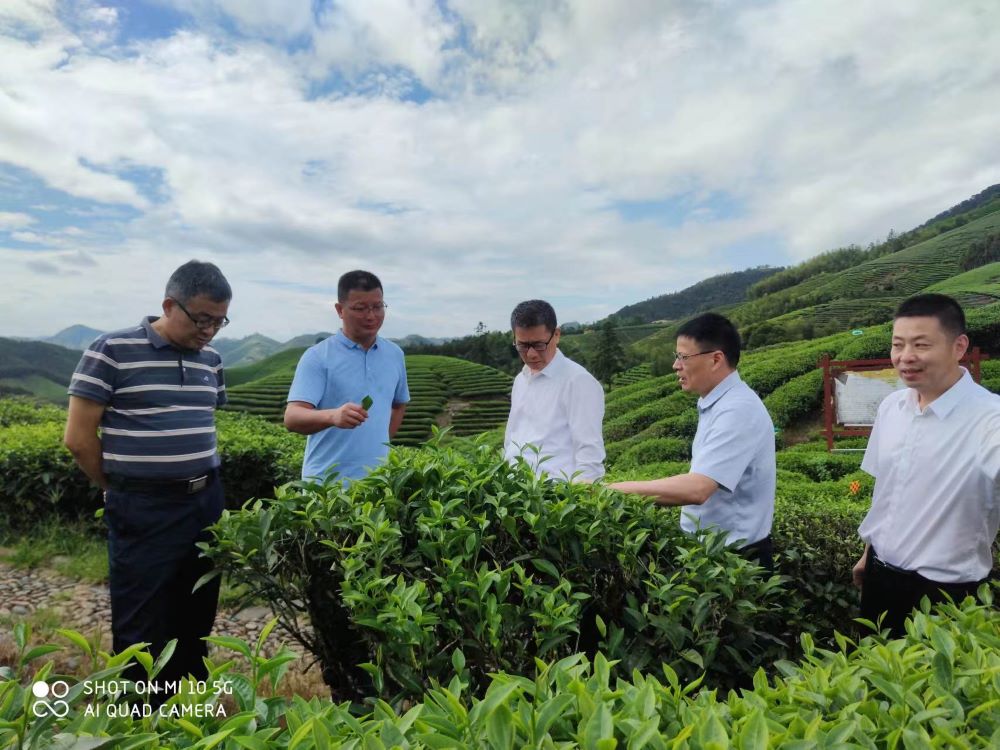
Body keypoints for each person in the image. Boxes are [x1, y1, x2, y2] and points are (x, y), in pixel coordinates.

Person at [63, 260, 231, 696]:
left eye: (220, 320)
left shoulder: (211, 360)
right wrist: (118, 487)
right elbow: (78, 439)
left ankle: (188, 716)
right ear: (169, 304)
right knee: (143, 624)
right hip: (144, 506)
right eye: (202, 318)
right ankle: (141, 720)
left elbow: (200, 421)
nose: (210, 330)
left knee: (197, 615)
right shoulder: (111, 350)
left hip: (206, 501)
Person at [852, 293, 1000, 637]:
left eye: (920, 345)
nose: (905, 357)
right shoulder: (891, 407)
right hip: (879, 577)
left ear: (958, 346)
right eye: (897, 345)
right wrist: (868, 553)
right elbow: (886, 493)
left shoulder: (989, 419)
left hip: (946, 594)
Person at [609, 313, 776, 569]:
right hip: (715, 555)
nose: (676, 365)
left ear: (715, 359)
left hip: (736, 563)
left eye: (683, 357)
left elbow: (697, 489)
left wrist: (608, 490)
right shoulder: (718, 403)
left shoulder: (737, 410)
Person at [284, 270, 409, 482]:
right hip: (326, 486)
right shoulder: (317, 357)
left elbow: (398, 404)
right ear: (340, 310)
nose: (371, 316)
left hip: (378, 483)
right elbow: (292, 417)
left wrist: (380, 444)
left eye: (377, 307)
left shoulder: (395, 354)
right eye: (360, 308)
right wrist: (333, 416)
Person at [504, 299, 605, 482]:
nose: (531, 354)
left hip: (553, 497)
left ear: (556, 335)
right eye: (523, 346)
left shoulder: (578, 382)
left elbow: (589, 455)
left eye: (539, 345)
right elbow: (511, 438)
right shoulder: (521, 380)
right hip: (514, 494)